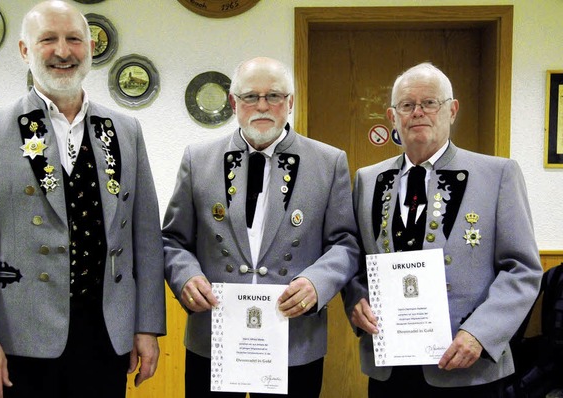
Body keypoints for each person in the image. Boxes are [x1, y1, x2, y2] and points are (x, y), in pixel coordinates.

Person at [0, 2, 165, 397]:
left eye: (74, 40)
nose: (63, 51)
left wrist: (147, 327)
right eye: (48, 39)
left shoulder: (125, 130)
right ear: (25, 50)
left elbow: (145, 238)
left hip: (106, 337)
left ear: (91, 48)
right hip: (19, 341)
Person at [162, 56, 360, 397]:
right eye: (251, 96)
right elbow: (173, 240)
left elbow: (345, 242)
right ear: (233, 102)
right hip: (215, 337)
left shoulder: (329, 162)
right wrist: (185, 278)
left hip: (294, 339)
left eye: (275, 96)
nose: (263, 106)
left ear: (290, 103)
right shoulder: (198, 159)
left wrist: (318, 282)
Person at [344, 62, 542, 397]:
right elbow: (355, 258)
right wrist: (356, 297)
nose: (418, 112)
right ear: (393, 117)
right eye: (407, 105)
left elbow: (522, 269)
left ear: (452, 110)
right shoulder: (368, 178)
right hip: (390, 369)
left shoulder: (498, 174)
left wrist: (481, 333)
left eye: (430, 103)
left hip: (469, 367)